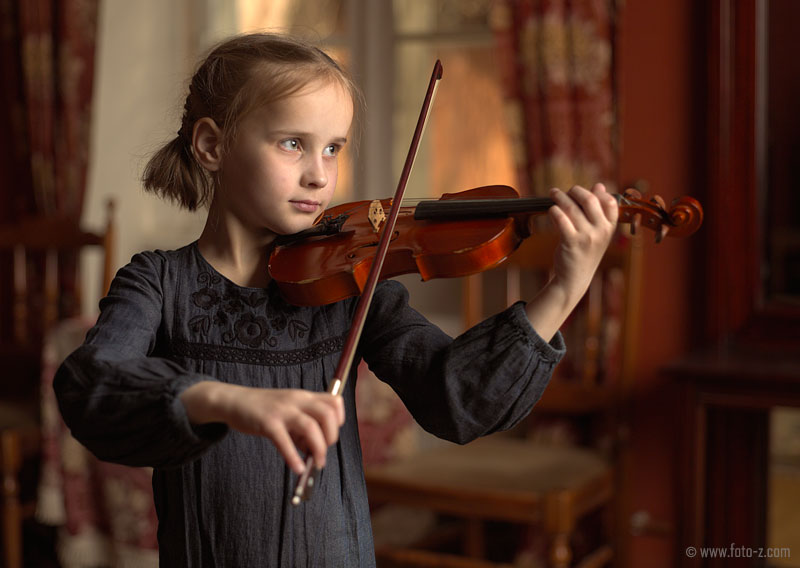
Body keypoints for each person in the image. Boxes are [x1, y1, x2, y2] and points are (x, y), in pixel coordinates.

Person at [54, 32, 618, 567]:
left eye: (333, 148)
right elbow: (91, 384)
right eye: (293, 143)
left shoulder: (350, 283)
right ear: (212, 145)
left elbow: (453, 396)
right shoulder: (159, 283)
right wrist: (224, 400)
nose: (319, 175)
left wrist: (564, 288)